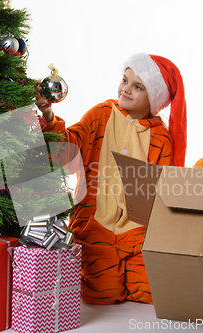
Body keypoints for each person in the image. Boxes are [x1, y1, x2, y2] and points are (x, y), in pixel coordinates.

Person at [36, 53, 187, 304]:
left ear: (154, 99)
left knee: (150, 295)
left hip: (139, 233)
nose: (126, 89)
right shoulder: (102, 114)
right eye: (125, 80)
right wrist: (49, 115)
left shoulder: (161, 138)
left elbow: (166, 192)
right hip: (96, 225)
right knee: (99, 295)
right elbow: (67, 147)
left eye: (137, 87)